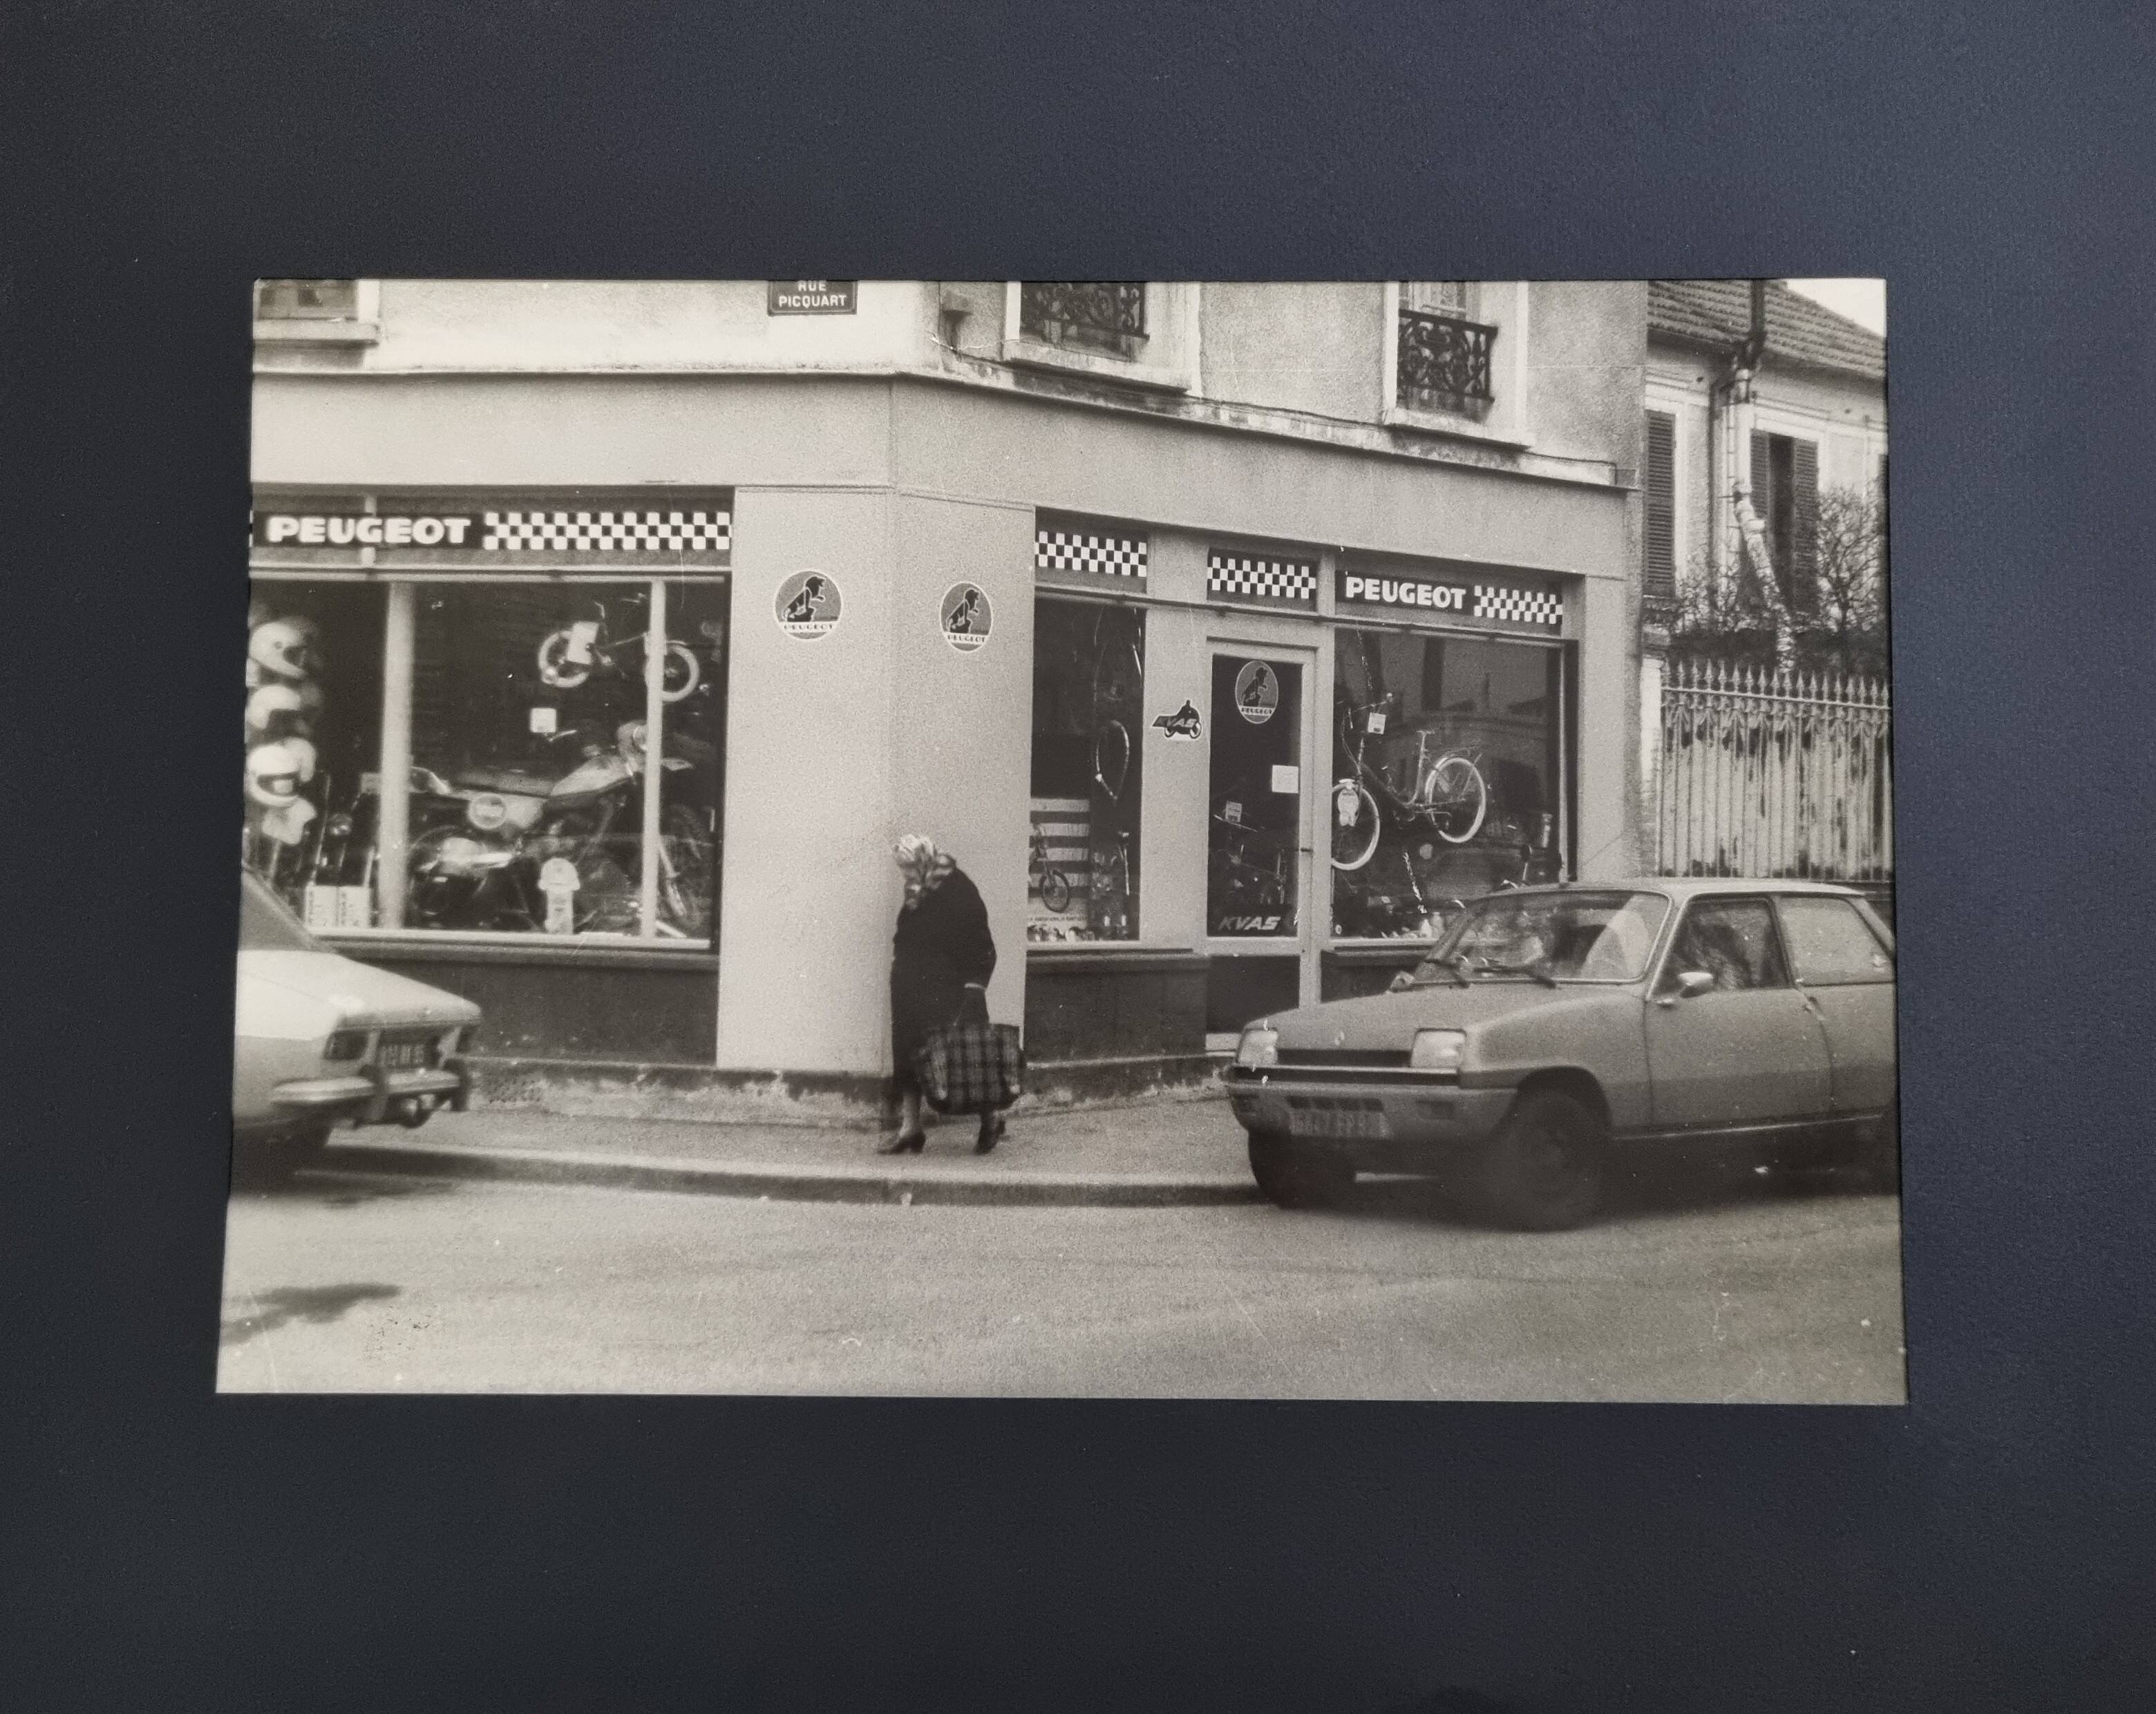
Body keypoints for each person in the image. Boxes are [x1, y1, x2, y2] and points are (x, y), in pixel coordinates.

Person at [880, 834, 1003, 1155]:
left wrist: (975, 985)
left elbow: (981, 940)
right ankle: (911, 1128)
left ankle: (991, 1119)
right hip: (910, 986)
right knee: (908, 1054)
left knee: (964, 1059)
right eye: (902, 869)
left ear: (924, 860)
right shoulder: (916, 891)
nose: (905, 875)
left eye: (908, 867)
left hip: (947, 986)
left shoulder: (959, 888)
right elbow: (905, 934)